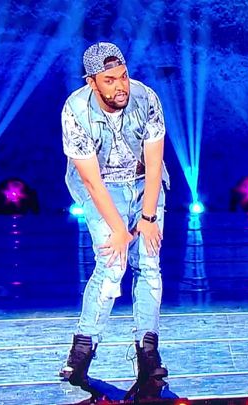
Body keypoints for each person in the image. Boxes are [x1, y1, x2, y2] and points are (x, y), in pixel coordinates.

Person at [58, 41, 171, 400]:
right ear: (92, 82)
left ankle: (148, 353)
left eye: (123, 76)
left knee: (148, 263)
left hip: (143, 182)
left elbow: (154, 161)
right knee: (112, 264)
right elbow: (91, 180)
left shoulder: (145, 97)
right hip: (103, 188)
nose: (120, 86)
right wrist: (121, 231)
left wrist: (148, 217)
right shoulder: (75, 110)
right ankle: (82, 351)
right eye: (110, 80)